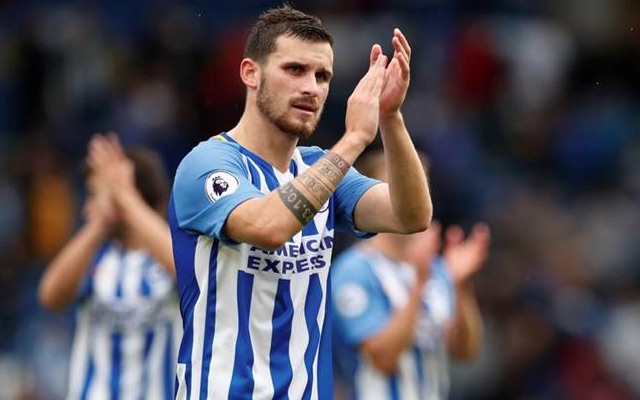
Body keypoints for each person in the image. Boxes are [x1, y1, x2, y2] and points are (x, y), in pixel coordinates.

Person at [168, 4, 432, 399]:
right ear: (250, 73)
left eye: (322, 76)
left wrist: (390, 118)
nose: (311, 87)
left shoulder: (317, 168)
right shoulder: (208, 164)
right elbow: (268, 227)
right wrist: (356, 139)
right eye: (294, 70)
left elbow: (411, 215)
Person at [331, 149, 489, 400]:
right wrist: (419, 285)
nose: (410, 192)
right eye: (397, 183)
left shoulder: (434, 268)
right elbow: (383, 359)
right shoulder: (353, 271)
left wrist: (460, 286)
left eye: (417, 182)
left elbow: (465, 351)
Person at [38, 133, 181, 400]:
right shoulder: (93, 256)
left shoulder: (167, 253)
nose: (88, 208)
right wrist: (100, 224)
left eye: (95, 195)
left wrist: (124, 199)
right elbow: (50, 296)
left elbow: (192, 273)